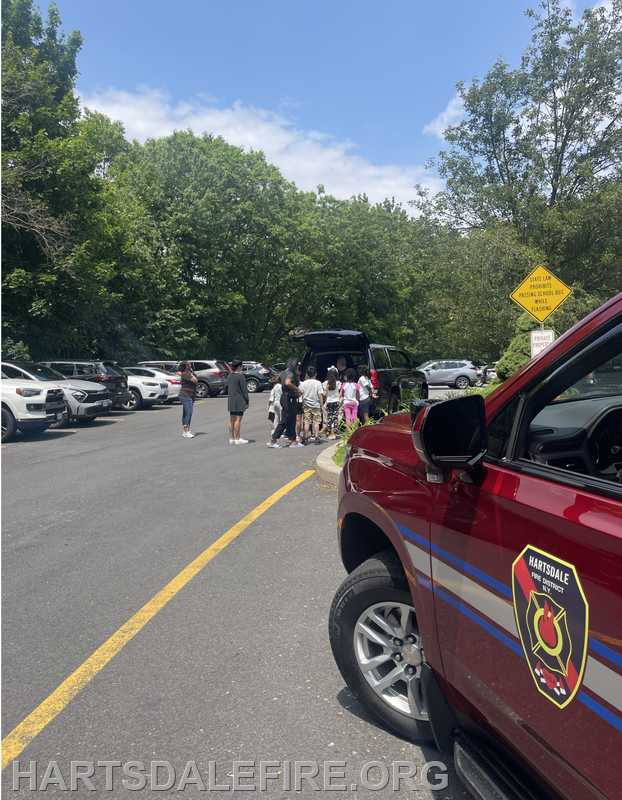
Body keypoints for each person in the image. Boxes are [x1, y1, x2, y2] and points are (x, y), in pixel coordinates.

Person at [267, 356, 304, 448]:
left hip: (285, 397)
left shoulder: (283, 373)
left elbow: (278, 380)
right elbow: (288, 383)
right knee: (286, 418)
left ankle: (293, 440)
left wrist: (283, 385)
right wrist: (296, 389)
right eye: (297, 365)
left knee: (291, 419)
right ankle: (273, 439)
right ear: (294, 365)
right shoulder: (290, 374)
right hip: (289, 398)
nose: (298, 367)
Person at [227, 357, 250, 443]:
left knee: (232, 419)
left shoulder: (230, 376)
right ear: (239, 366)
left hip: (231, 399)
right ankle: (238, 438)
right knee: (238, 420)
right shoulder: (241, 376)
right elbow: (244, 390)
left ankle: (231, 438)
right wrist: (247, 401)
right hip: (239, 399)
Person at [300, 365, 324, 444]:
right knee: (316, 422)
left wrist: (303, 404)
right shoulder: (318, 383)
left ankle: (305, 438)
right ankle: (317, 437)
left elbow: (302, 394)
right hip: (316, 404)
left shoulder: (304, 383)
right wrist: (322, 405)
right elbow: (320, 395)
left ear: (307, 374)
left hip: (307, 403)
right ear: (315, 374)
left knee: (307, 421)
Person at [179, 361, 198, 438]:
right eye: (189, 364)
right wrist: (192, 374)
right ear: (186, 366)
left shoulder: (188, 373)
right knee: (188, 413)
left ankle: (185, 431)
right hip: (185, 395)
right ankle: (187, 431)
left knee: (186, 413)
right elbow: (195, 380)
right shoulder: (185, 374)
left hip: (189, 396)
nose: (190, 365)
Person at [322, 366, 341, 439]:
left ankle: (329, 432)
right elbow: (339, 391)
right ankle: (335, 432)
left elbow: (324, 393)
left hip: (329, 401)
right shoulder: (338, 383)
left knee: (329, 417)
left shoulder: (325, 383)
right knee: (335, 417)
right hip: (336, 401)